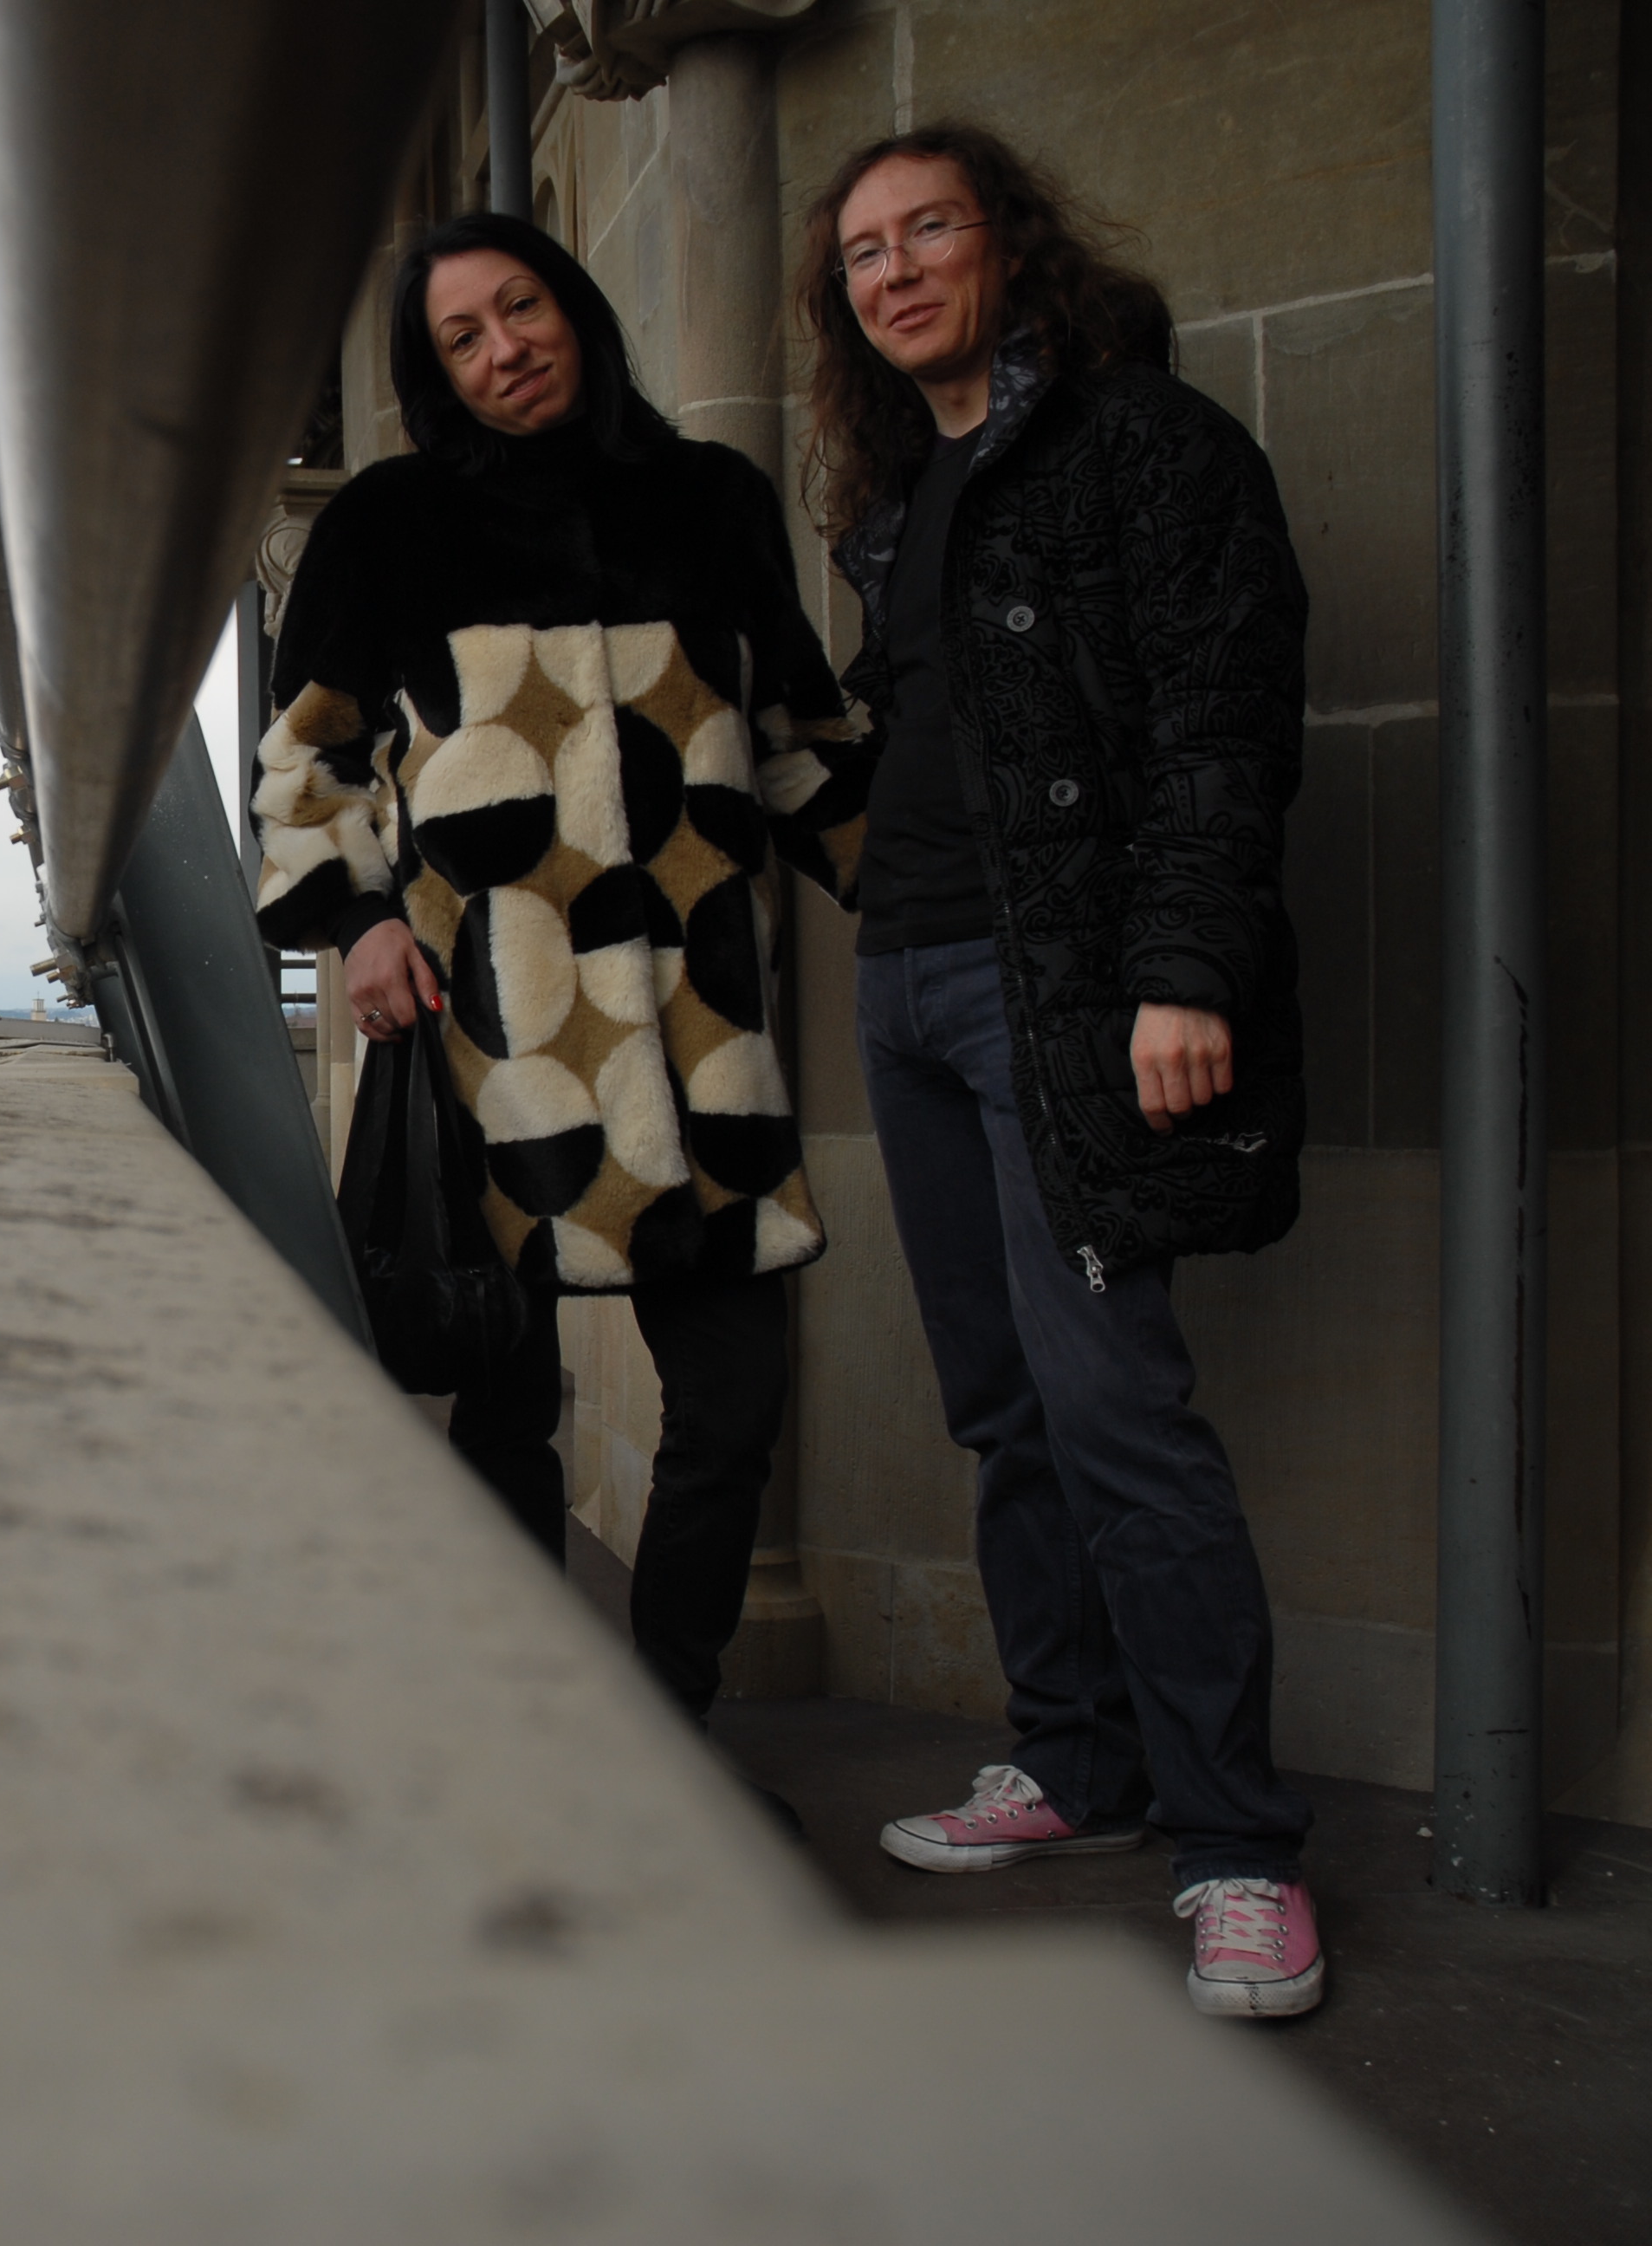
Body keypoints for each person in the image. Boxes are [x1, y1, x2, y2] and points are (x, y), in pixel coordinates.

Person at [797, 124, 1321, 2017]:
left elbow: (1221, 727)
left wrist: (1181, 972)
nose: (894, 269)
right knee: (1005, 1405)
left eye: (928, 228)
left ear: (1009, 244)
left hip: (1074, 991)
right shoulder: (893, 492)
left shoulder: (1149, 445)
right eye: (863, 251)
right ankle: (1078, 1761)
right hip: (909, 983)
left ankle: (1239, 1850)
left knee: (1117, 1409)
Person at [249, 211, 872, 1724]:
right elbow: (302, 768)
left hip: (704, 1036)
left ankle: (669, 1725)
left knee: (732, 1410)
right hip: (497, 1036)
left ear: (575, 309)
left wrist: (943, 897)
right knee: (503, 1407)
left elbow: (799, 744)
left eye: (519, 309)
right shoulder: (388, 523)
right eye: (460, 338)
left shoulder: (714, 501)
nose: (502, 351)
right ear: (433, 375)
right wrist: (360, 920)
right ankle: (528, 1737)